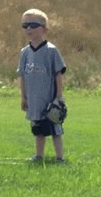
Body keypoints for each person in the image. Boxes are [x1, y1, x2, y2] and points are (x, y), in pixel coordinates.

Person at [17, 8, 66, 163]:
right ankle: (39, 155)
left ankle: (59, 157)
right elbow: (22, 76)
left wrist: (59, 97)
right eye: (25, 26)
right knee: (37, 129)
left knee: (55, 129)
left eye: (33, 25)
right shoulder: (25, 52)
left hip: (49, 99)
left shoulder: (51, 50)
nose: (28, 29)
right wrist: (23, 97)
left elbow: (58, 74)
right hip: (33, 99)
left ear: (44, 29)